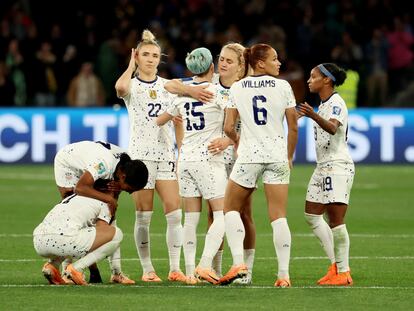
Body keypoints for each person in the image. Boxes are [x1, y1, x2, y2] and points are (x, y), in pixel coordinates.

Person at [165, 43, 257, 284]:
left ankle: (244, 268)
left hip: (231, 157)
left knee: (241, 213)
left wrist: (228, 140)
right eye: (221, 59)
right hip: (210, 158)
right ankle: (212, 266)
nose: (223, 63)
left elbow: (251, 125)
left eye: (229, 60)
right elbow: (171, 84)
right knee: (219, 213)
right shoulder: (213, 85)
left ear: (240, 67)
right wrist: (191, 91)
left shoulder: (245, 88)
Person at [219, 43, 298, 287]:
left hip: (249, 156)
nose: (279, 63)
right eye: (275, 59)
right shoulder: (284, 86)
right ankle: (283, 275)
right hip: (276, 156)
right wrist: (289, 156)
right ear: (260, 63)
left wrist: (238, 141)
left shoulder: (237, 87)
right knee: (278, 216)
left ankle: (239, 265)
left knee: (230, 209)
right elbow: (293, 126)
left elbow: (228, 127)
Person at [115, 29, 185, 283]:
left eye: (155, 55)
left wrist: (181, 150)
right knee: (144, 215)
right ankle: (147, 269)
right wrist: (130, 64)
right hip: (140, 158)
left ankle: (175, 268)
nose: (151, 59)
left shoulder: (168, 86)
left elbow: (178, 120)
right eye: (145, 54)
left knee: (175, 212)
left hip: (166, 155)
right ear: (137, 56)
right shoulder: (131, 85)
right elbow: (119, 88)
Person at [157, 47, 228, 285]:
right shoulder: (217, 92)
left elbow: (159, 120)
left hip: (184, 158)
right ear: (212, 68)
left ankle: (189, 274)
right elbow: (234, 122)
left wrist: (180, 111)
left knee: (191, 219)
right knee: (222, 214)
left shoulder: (181, 95)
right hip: (209, 158)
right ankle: (205, 264)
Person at [54, 140, 148, 284]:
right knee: (75, 215)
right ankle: (67, 270)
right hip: (68, 164)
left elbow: (110, 211)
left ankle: (116, 272)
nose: (129, 193)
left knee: (107, 213)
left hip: (90, 167)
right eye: (130, 188)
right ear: (122, 177)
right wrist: (108, 199)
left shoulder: (126, 167)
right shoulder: (104, 165)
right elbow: (81, 188)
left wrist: (110, 200)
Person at [297, 63, 354, 286]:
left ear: (327, 80)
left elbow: (332, 128)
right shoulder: (322, 105)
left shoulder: (336, 103)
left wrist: (312, 115)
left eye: (313, 76)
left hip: (337, 166)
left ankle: (344, 272)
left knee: (337, 221)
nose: (309, 80)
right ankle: (335, 265)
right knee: (312, 214)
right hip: (322, 167)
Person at [33, 179, 136, 285]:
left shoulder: (72, 197)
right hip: (65, 240)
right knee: (116, 234)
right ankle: (77, 269)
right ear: (107, 190)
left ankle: (53, 266)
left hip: (38, 241)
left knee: (73, 233)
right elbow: (102, 234)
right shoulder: (105, 202)